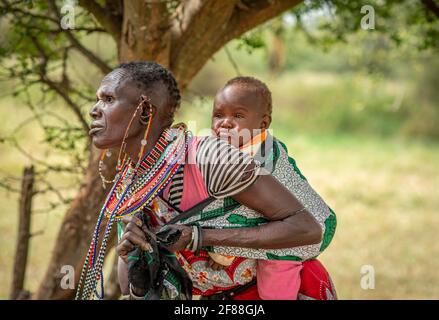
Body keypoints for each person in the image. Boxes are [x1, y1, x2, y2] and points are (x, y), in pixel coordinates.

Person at [76, 61, 325, 300]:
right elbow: (132, 292)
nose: (94, 110)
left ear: (144, 111)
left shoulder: (208, 158)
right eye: (98, 99)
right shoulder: (131, 184)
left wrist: (200, 236)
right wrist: (133, 258)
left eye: (108, 99)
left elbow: (307, 228)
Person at [204, 76, 337, 299]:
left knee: (275, 278)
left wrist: (223, 251)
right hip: (274, 220)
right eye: (219, 115)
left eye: (237, 116)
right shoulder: (225, 150)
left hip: (306, 228)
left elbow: (242, 208)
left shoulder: (260, 156)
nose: (225, 123)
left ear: (263, 124)